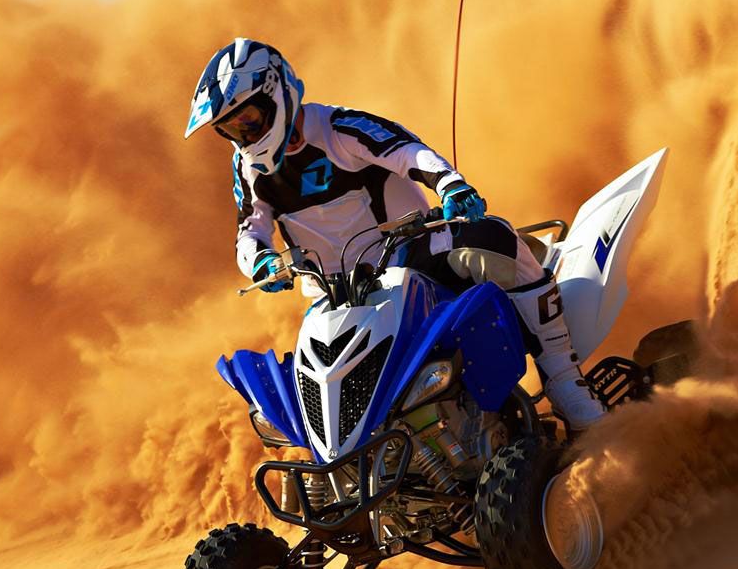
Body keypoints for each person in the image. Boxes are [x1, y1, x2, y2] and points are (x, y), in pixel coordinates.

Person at [184, 38, 607, 431]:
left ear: (274, 93)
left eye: (248, 120)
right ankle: (332, 476)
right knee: (298, 399)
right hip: (333, 297)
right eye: (231, 129)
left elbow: (408, 152)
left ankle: (565, 381)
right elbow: (249, 230)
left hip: (413, 259)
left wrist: (449, 184)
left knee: (494, 237)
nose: (244, 135)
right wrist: (261, 261)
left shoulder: (339, 127)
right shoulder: (249, 168)